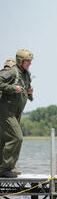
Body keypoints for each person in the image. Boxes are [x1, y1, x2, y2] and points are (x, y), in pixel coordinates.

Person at [0, 50, 34, 178]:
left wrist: (30, 93)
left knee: (4, 139)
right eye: (27, 61)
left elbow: (26, 91)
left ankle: (7, 167)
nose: (30, 63)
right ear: (20, 61)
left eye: (30, 61)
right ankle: (5, 169)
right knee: (17, 138)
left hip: (16, 111)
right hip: (6, 110)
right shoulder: (12, 71)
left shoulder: (27, 74)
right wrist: (13, 88)